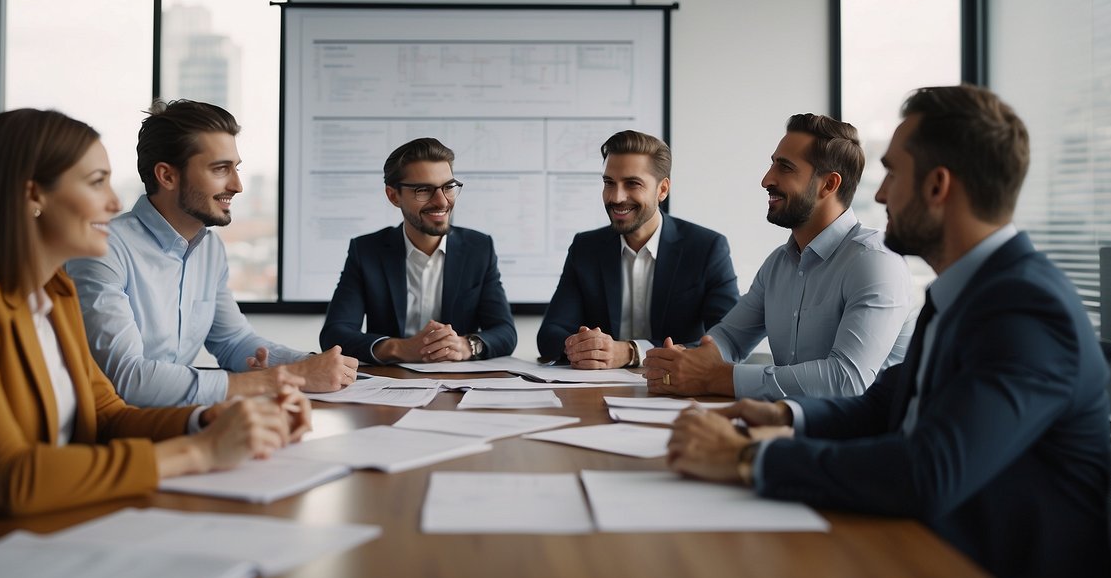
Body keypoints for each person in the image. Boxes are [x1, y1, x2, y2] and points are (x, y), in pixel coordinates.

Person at [666, 86, 1111, 578]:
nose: (879, 194)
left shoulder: (1028, 308)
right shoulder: (966, 289)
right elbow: (886, 405)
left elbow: (928, 471)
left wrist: (750, 457)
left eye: (894, 173)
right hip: (924, 542)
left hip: (989, 570)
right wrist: (781, 413)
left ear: (938, 186)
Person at [0, 109, 309, 559]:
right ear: (33, 195)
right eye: (97, 182)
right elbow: (9, 479)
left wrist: (211, 420)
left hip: (28, 537)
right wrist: (198, 453)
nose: (115, 202)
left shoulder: (55, 292)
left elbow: (109, 416)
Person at [68, 100, 357, 407]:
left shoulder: (210, 249)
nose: (237, 185)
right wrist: (287, 376)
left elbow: (234, 342)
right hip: (113, 431)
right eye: (220, 169)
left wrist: (313, 363)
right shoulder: (103, 250)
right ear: (167, 176)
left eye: (236, 168)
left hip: (181, 419)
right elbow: (127, 379)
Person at [645, 114, 914, 400]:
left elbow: (846, 379)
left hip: (858, 439)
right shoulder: (778, 263)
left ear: (829, 185)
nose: (766, 179)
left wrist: (717, 377)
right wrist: (687, 362)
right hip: (788, 427)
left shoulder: (875, 262)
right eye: (773, 163)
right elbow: (729, 338)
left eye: (784, 167)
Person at [537, 130, 738, 369]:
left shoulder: (706, 248)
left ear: (662, 189)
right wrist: (582, 345)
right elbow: (549, 335)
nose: (616, 197)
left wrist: (632, 352)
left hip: (677, 391)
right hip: (596, 391)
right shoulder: (586, 248)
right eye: (609, 183)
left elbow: (727, 343)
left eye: (632, 183)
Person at [319, 138, 516, 364]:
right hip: (390, 386)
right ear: (394, 196)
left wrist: (467, 345)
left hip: (459, 384)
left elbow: (506, 332)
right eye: (424, 190)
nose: (442, 201)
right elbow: (334, 334)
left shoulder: (479, 248)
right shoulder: (366, 251)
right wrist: (399, 348)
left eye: (448, 187)